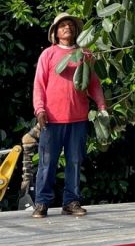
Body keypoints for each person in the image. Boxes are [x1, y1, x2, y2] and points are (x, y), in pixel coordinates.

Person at [32, 12, 107, 218]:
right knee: (47, 162)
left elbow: (94, 84)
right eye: (62, 25)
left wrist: (102, 107)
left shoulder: (85, 54)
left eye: (70, 25)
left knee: (74, 161)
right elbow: (39, 85)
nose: (67, 28)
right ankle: (42, 203)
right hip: (52, 120)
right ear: (55, 33)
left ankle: (71, 202)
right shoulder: (48, 54)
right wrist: (40, 110)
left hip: (78, 119)